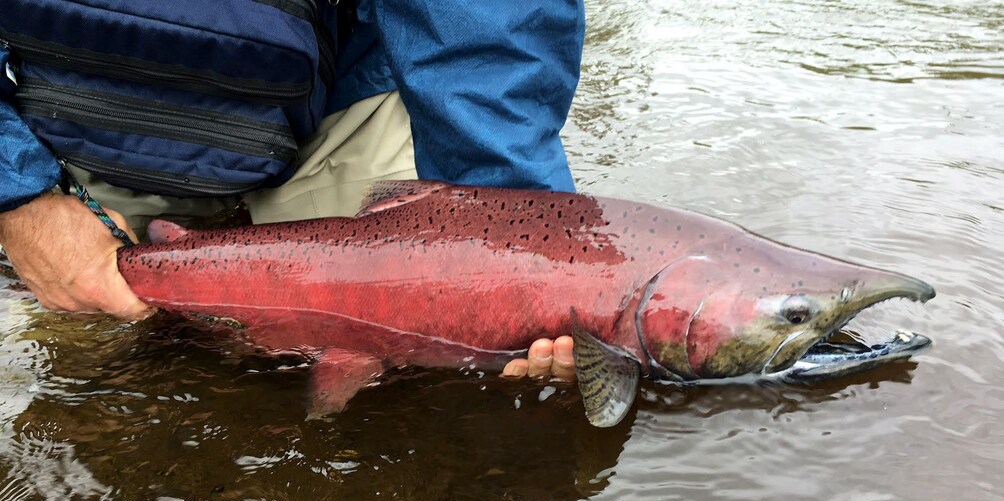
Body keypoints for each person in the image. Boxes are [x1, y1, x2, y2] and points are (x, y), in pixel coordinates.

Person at [0, 1, 578, 380]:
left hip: (334, 92)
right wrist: (20, 198)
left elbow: (486, 28)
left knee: (427, 361)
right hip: (77, 115)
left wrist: (517, 256)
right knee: (92, 355)